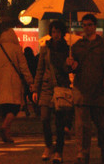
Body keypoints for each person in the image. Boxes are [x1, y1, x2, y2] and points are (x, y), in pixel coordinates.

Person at [67, 13, 104, 164]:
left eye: (89, 24)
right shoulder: (77, 46)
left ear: (95, 26)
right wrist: (71, 64)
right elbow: (71, 68)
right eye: (84, 25)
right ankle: (84, 153)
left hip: (99, 92)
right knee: (83, 127)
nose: (87, 27)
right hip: (82, 91)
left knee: (101, 125)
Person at [33, 19, 73, 164]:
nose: (56, 34)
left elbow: (68, 70)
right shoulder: (45, 48)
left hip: (61, 87)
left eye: (58, 31)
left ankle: (59, 151)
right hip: (46, 87)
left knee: (59, 122)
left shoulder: (67, 49)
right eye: (54, 31)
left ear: (62, 33)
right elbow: (40, 69)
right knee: (44, 118)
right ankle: (48, 145)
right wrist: (35, 88)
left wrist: (69, 64)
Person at [0, 23, 34, 144]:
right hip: (13, 82)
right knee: (15, 107)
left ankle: (7, 132)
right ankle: (5, 127)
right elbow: (24, 67)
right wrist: (30, 82)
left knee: (5, 108)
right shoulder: (16, 49)